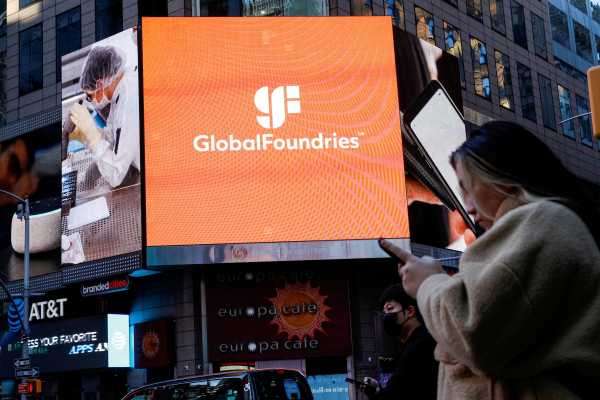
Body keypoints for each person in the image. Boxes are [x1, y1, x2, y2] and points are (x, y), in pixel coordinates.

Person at [381, 121, 600, 399]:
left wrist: (428, 283)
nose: (469, 207)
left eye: (467, 187)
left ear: (500, 176)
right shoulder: (545, 227)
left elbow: (473, 333)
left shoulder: (543, 223)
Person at [69, 44, 140, 188]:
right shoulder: (120, 91)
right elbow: (112, 139)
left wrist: (91, 133)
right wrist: (85, 135)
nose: (90, 101)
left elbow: (115, 175)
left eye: (89, 96)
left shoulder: (129, 99)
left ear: (100, 84)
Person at [360, 284, 437, 400]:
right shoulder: (413, 343)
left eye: (390, 309)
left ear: (410, 311)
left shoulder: (419, 347)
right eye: (384, 312)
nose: (386, 316)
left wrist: (376, 394)